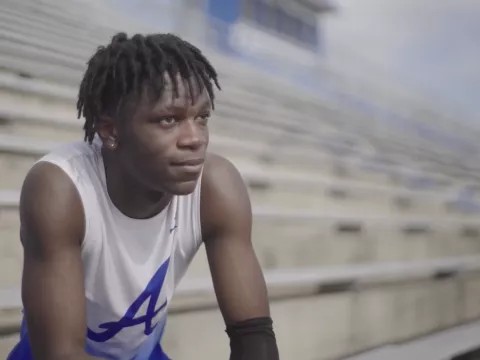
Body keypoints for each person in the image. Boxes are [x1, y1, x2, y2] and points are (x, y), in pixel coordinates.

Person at [7, 33, 279, 360]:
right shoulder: (61, 188)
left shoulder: (216, 186)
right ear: (110, 131)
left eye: (201, 118)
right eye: (169, 119)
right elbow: (60, 354)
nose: (195, 139)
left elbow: (254, 338)